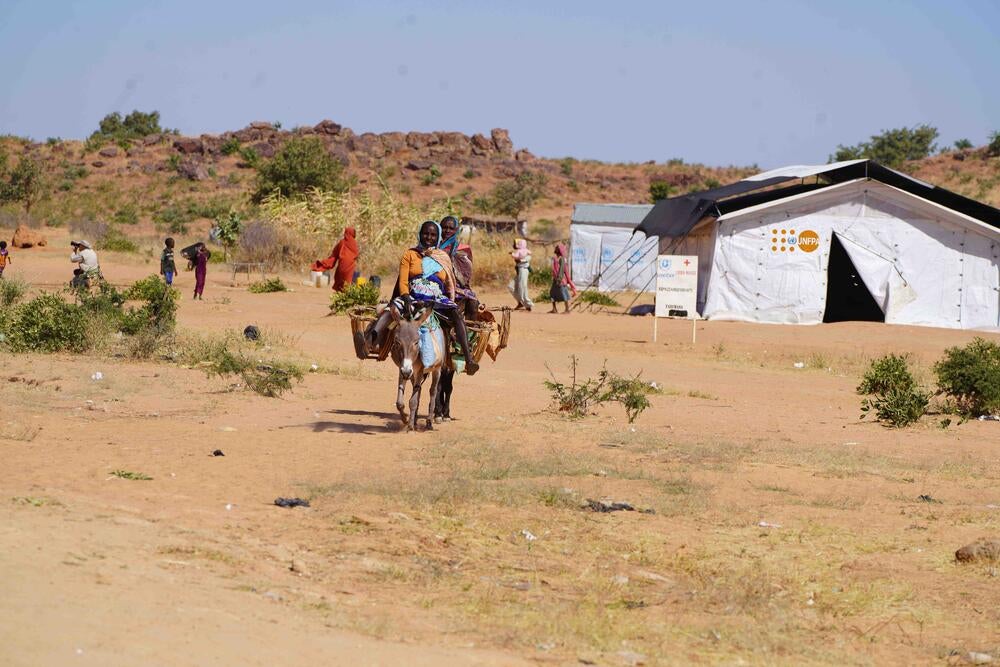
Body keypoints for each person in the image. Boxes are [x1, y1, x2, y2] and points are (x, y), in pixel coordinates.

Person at [369, 220, 478, 375]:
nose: (429, 237)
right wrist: (405, 296)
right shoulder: (411, 253)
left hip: (436, 298)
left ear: (437, 237)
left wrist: (451, 299)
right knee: (390, 312)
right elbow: (403, 279)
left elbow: (449, 283)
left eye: (433, 235)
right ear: (419, 234)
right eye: (425, 234)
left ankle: (469, 358)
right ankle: (372, 342)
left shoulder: (443, 256)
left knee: (457, 316)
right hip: (413, 296)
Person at [312, 227, 359, 292]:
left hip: (341, 266)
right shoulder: (354, 244)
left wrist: (325, 263)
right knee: (348, 284)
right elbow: (356, 255)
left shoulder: (341, 242)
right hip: (350, 268)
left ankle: (339, 296)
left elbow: (334, 255)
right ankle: (347, 297)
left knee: (339, 281)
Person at [549, 243, 576, 314]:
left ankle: (567, 309)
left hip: (560, 280)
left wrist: (559, 279)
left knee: (564, 294)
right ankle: (554, 309)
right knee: (552, 293)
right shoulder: (555, 258)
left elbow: (562, 270)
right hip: (556, 279)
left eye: (558, 248)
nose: (556, 249)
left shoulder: (562, 259)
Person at [509, 238, 533, 311]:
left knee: (522, 287)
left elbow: (525, 259)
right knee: (511, 287)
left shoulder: (525, 253)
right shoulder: (519, 252)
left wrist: (519, 259)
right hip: (519, 271)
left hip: (523, 271)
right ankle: (520, 302)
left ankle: (528, 304)